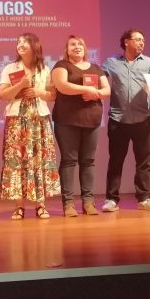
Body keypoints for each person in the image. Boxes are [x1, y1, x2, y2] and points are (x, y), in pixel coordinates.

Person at [101, 29, 150, 212]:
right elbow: (99, 79)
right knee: (115, 161)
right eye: (137, 40)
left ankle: (144, 198)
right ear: (126, 42)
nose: (141, 43)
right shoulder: (111, 62)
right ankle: (111, 199)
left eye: (143, 40)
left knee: (143, 161)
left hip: (143, 119)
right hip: (118, 119)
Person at [0, 33, 60, 219]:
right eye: (19, 42)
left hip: (39, 120)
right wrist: (21, 85)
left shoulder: (44, 69)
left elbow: (52, 95)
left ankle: (40, 204)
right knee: (17, 160)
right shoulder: (10, 68)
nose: (21, 45)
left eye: (25, 42)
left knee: (39, 159)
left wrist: (39, 92)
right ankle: (19, 206)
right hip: (17, 121)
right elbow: (3, 94)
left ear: (34, 46)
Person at [51, 35, 111, 217]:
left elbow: (106, 90)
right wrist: (86, 90)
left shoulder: (96, 68)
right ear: (66, 49)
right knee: (69, 161)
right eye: (72, 44)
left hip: (92, 120)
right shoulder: (61, 66)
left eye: (80, 44)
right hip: (67, 120)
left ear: (85, 48)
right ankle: (68, 204)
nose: (76, 47)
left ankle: (88, 202)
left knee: (88, 161)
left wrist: (97, 93)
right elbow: (62, 86)